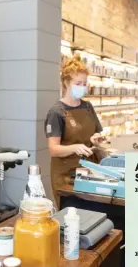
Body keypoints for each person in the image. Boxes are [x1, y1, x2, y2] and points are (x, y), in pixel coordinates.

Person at [44, 54, 106, 207]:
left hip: (90, 171)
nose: (82, 87)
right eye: (78, 83)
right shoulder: (57, 112)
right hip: (67, 176)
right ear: (66, 83)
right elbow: (53, 149)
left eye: (85, 83)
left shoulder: (87, 107)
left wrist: (96, 138)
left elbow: (96, 132)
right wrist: (74, 148)